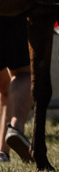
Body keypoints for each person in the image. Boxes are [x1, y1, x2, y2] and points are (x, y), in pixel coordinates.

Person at [0, 14, 32, 163]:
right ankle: (16, 126)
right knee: (23, 74)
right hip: (10, 13)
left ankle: (2, 152)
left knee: (5, 87)